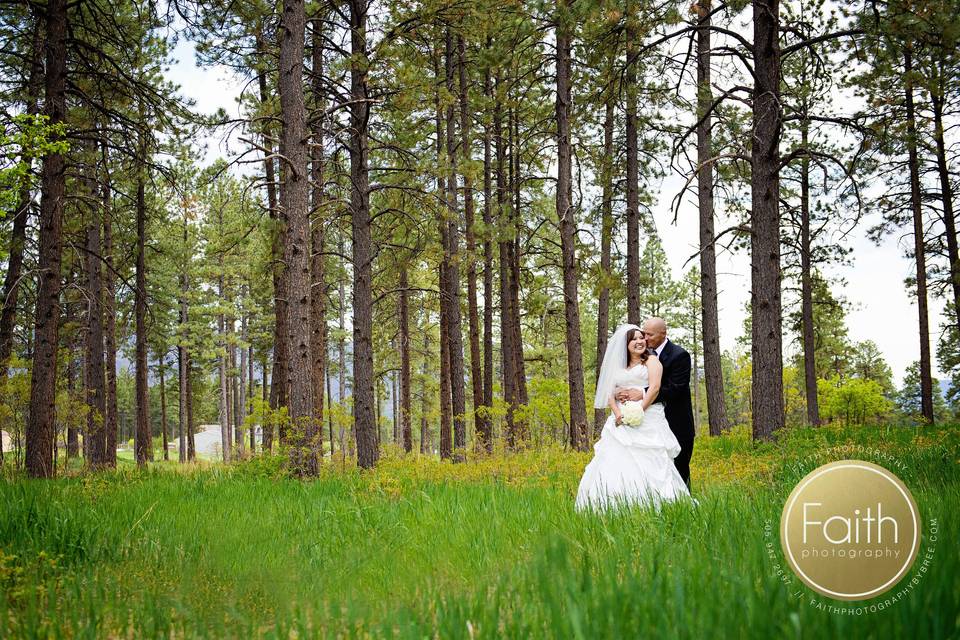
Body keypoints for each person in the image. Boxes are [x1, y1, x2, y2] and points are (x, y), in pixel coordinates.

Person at [575, 324, 689, 511]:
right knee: (616, 461)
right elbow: (609, 393)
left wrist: (640, 410)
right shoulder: (618, 366)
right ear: (625, 344)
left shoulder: (652, 362)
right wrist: (618, 413)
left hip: (648, 418)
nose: (639, 341)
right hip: (620, 421)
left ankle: (656, 504)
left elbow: (655, 388)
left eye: (641, 338)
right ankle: (614, 505)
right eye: (634, 339)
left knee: (651, 462)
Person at [616, 317, 696, 488]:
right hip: (648, 422)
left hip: (676, 421)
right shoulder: (641, 354)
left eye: (649, 335)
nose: (644, 338)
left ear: (663, 334)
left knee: (678, 467)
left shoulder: (679, 355)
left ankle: (684, 505)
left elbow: (676, 388)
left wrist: (642, 393)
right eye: (643, 333)